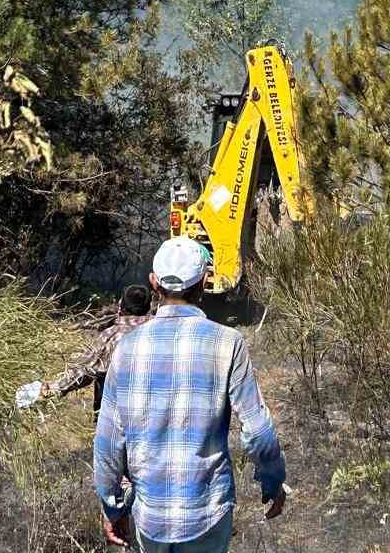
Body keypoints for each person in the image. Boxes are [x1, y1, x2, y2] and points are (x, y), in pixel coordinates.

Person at [94, 236, 286, 553]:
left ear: (154, 283)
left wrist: (113, 508)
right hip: (207, 515)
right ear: (203, 283)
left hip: (150, 518)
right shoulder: (228, 342)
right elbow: (257, 429)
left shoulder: (126, 347)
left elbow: (108, 441)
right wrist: (272, 482)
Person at [18, 284, 153, 419]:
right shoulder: (161, 334)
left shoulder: (111, 337)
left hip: (115, 422)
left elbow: (84, 371)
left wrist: (49, 390)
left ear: (121, 306)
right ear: (149, 307)